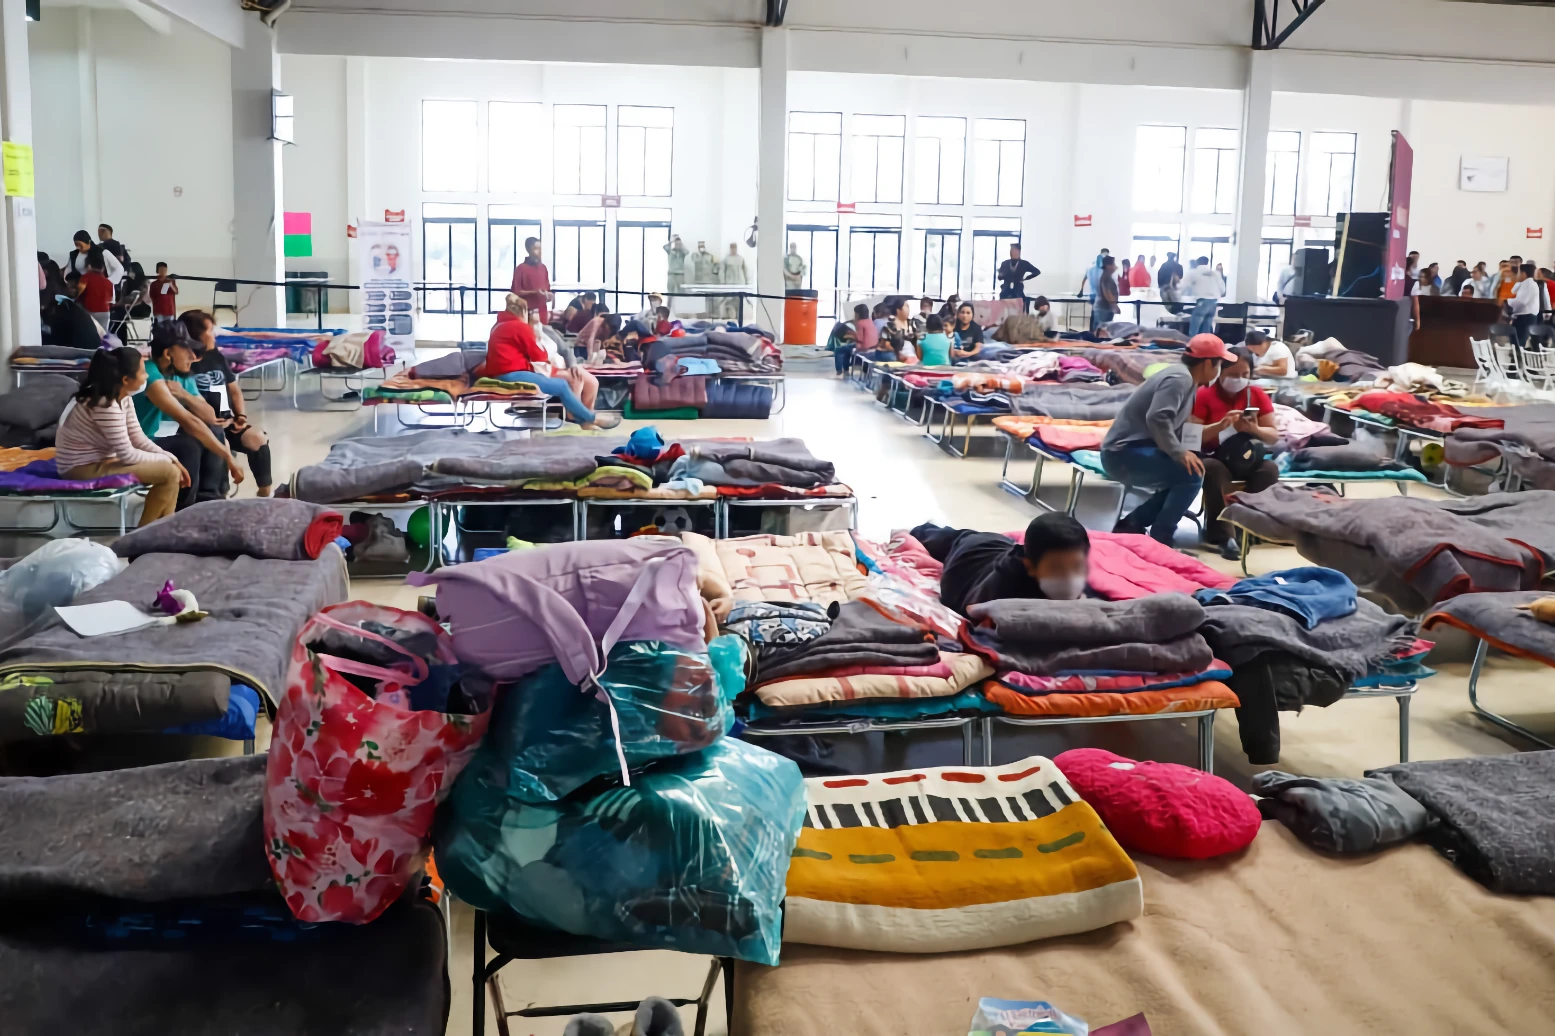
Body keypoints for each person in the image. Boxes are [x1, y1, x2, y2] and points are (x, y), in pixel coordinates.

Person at [1100, 333, 1235, 545]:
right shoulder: (1180, 379)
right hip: (1122, 454)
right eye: (1219, 365)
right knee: (1190, 474)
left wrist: (1220, 426)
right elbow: (1157, 418)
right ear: (1208, 363)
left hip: (1135, 451)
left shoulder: (1187, 381)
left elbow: (1181, 433)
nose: (1218, 371)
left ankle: (1133, 524)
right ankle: (1161, 538)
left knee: (1186, 473)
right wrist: (1178, 453)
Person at [54, 346, 185, 527]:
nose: (147, 376)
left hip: (102, 461)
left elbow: (138, 438)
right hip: (79, 468)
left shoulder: (123, 397)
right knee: (169, 472)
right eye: (143, 372)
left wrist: (170, 457)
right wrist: (168, 460)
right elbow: (127, 454)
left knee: (171, 471)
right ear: (126, 380)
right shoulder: (105, 404)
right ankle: (144, 536)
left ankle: (163, 533)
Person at [135, 325, 246, 509]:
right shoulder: (150, 374)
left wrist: (184, 395)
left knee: (212, 431)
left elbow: (210, 417)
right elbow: (189, 421)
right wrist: (228, 457)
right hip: (142, 443)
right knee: (188, 446)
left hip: (166, 439)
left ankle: (210, 500)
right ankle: (185, 508)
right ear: (168, 353)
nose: (193, 357)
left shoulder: (181, 376)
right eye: (187, 350)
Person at [1190, 347, 1280, 560]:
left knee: (1269, 469)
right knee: (1212, 469)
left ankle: (1250, 528)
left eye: (1244, 374)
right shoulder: (1204, 395)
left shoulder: (1256, 395)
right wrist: (1221, 426)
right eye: (1233, 374)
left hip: (1245, 455)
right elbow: (1191, 437)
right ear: (1220, 372)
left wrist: (1254, 429)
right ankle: (1224, 535)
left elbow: (1273, 436)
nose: (1239, 379)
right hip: (1215, 456)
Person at [912, 512, 1092, 618]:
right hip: (972, 552)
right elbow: (971, 612)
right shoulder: (1002, 589)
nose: (1070, 578)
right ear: (1030, 567)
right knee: (932, 536)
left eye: (1077, 566)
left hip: (1004, 545)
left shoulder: (1079, 579)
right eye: (1056, 569)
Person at [480, 294, 619, 429]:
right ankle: (592, 418)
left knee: (571, 382)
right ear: (524, 312)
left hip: (503, 373)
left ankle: (586, 419)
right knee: (561, 386)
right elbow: (539, 356)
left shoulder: (498, 326)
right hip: (513, 374)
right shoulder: (520, 327)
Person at [182, 309, 275, 499]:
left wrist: (240, 416)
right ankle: (219, 496)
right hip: (202, 427)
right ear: (196, 335)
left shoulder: (215, 356)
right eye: (210, 330)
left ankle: (265, 493)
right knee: (218, 442)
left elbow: (234, 390)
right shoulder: (184, 364)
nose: (215, 334)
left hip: (228, 422)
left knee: (257, 438)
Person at [510, 236, 553, 325]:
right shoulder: (520, 269)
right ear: (528, 250)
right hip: (527, 312)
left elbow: (547, 289)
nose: (539, 252)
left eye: (540, 248)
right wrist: (535, 292)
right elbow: (516, 292)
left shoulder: (543, 268)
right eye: (536, 248)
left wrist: (549, 296)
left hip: (542, 312)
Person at [1180, 256, 1224, 337]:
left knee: (1194, 329)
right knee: (1206, 329)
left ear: (1197, 263)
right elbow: (1222, 289)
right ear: (1207, 262)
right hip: (1213, 302)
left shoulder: (1193, 273)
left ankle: (1192, 343)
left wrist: (1178, 296)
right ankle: (1204, 344)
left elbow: (1184, 286)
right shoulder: (1215, 273)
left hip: (1202, 302)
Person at [75, 251, 115, 328]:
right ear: (103, 268)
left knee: (89, 332)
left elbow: (79, 292)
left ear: (89, 266)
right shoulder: (109, 282)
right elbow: (111, 301)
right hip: (105, 312)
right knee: (103, 333)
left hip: (90, 311)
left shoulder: (86, 277)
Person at [838, 302, 875, 375]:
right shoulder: (870, 321)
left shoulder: (860, 323)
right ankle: (845, 370)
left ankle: (841, 370)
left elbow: (859, 339)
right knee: (847, 348)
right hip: (873, 347)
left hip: (863, 348)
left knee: (840, 350)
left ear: (857, 314)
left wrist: (851, 336)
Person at [877, 298, 918, 362]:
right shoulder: (889, 325)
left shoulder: (912, 324)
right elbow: (885, 344)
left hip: (912, 355)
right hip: (897, 354)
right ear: (898, 310)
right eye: (906, 306)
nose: (909, 309)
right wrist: (899, 353)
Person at [1510, 262, 1541, 344]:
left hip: (1525, 317)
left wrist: (1508, 302)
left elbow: (1521, 301)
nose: (1517, 275)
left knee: (1519, 342)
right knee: (1515, 341)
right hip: (1523, 316)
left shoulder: (1529, 284)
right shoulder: (1523, 284)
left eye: (1519, 273)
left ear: (1524, 274)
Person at [1092, 256, 1120, 331]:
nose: (1115, 266)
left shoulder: (1105, 276)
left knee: (1101, 331)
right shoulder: (1106, 277)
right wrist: (1114, 305)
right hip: (1104, 309)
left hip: (1103, 308)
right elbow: (1107, 292)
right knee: (1102, 331)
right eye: (1113, 264)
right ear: (1108, 266)